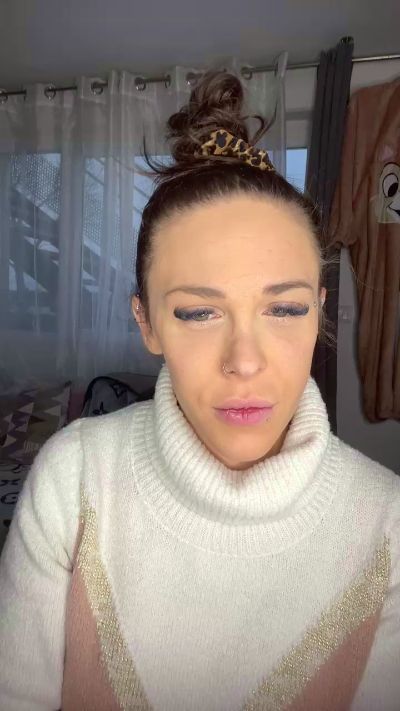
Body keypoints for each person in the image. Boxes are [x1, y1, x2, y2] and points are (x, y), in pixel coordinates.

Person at [0, 70, 399, 711]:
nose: (245, 362)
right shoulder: (73, 479)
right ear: (147, 323)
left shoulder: (389, 524)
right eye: (198, 313)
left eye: (285, 309)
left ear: (320, 311)